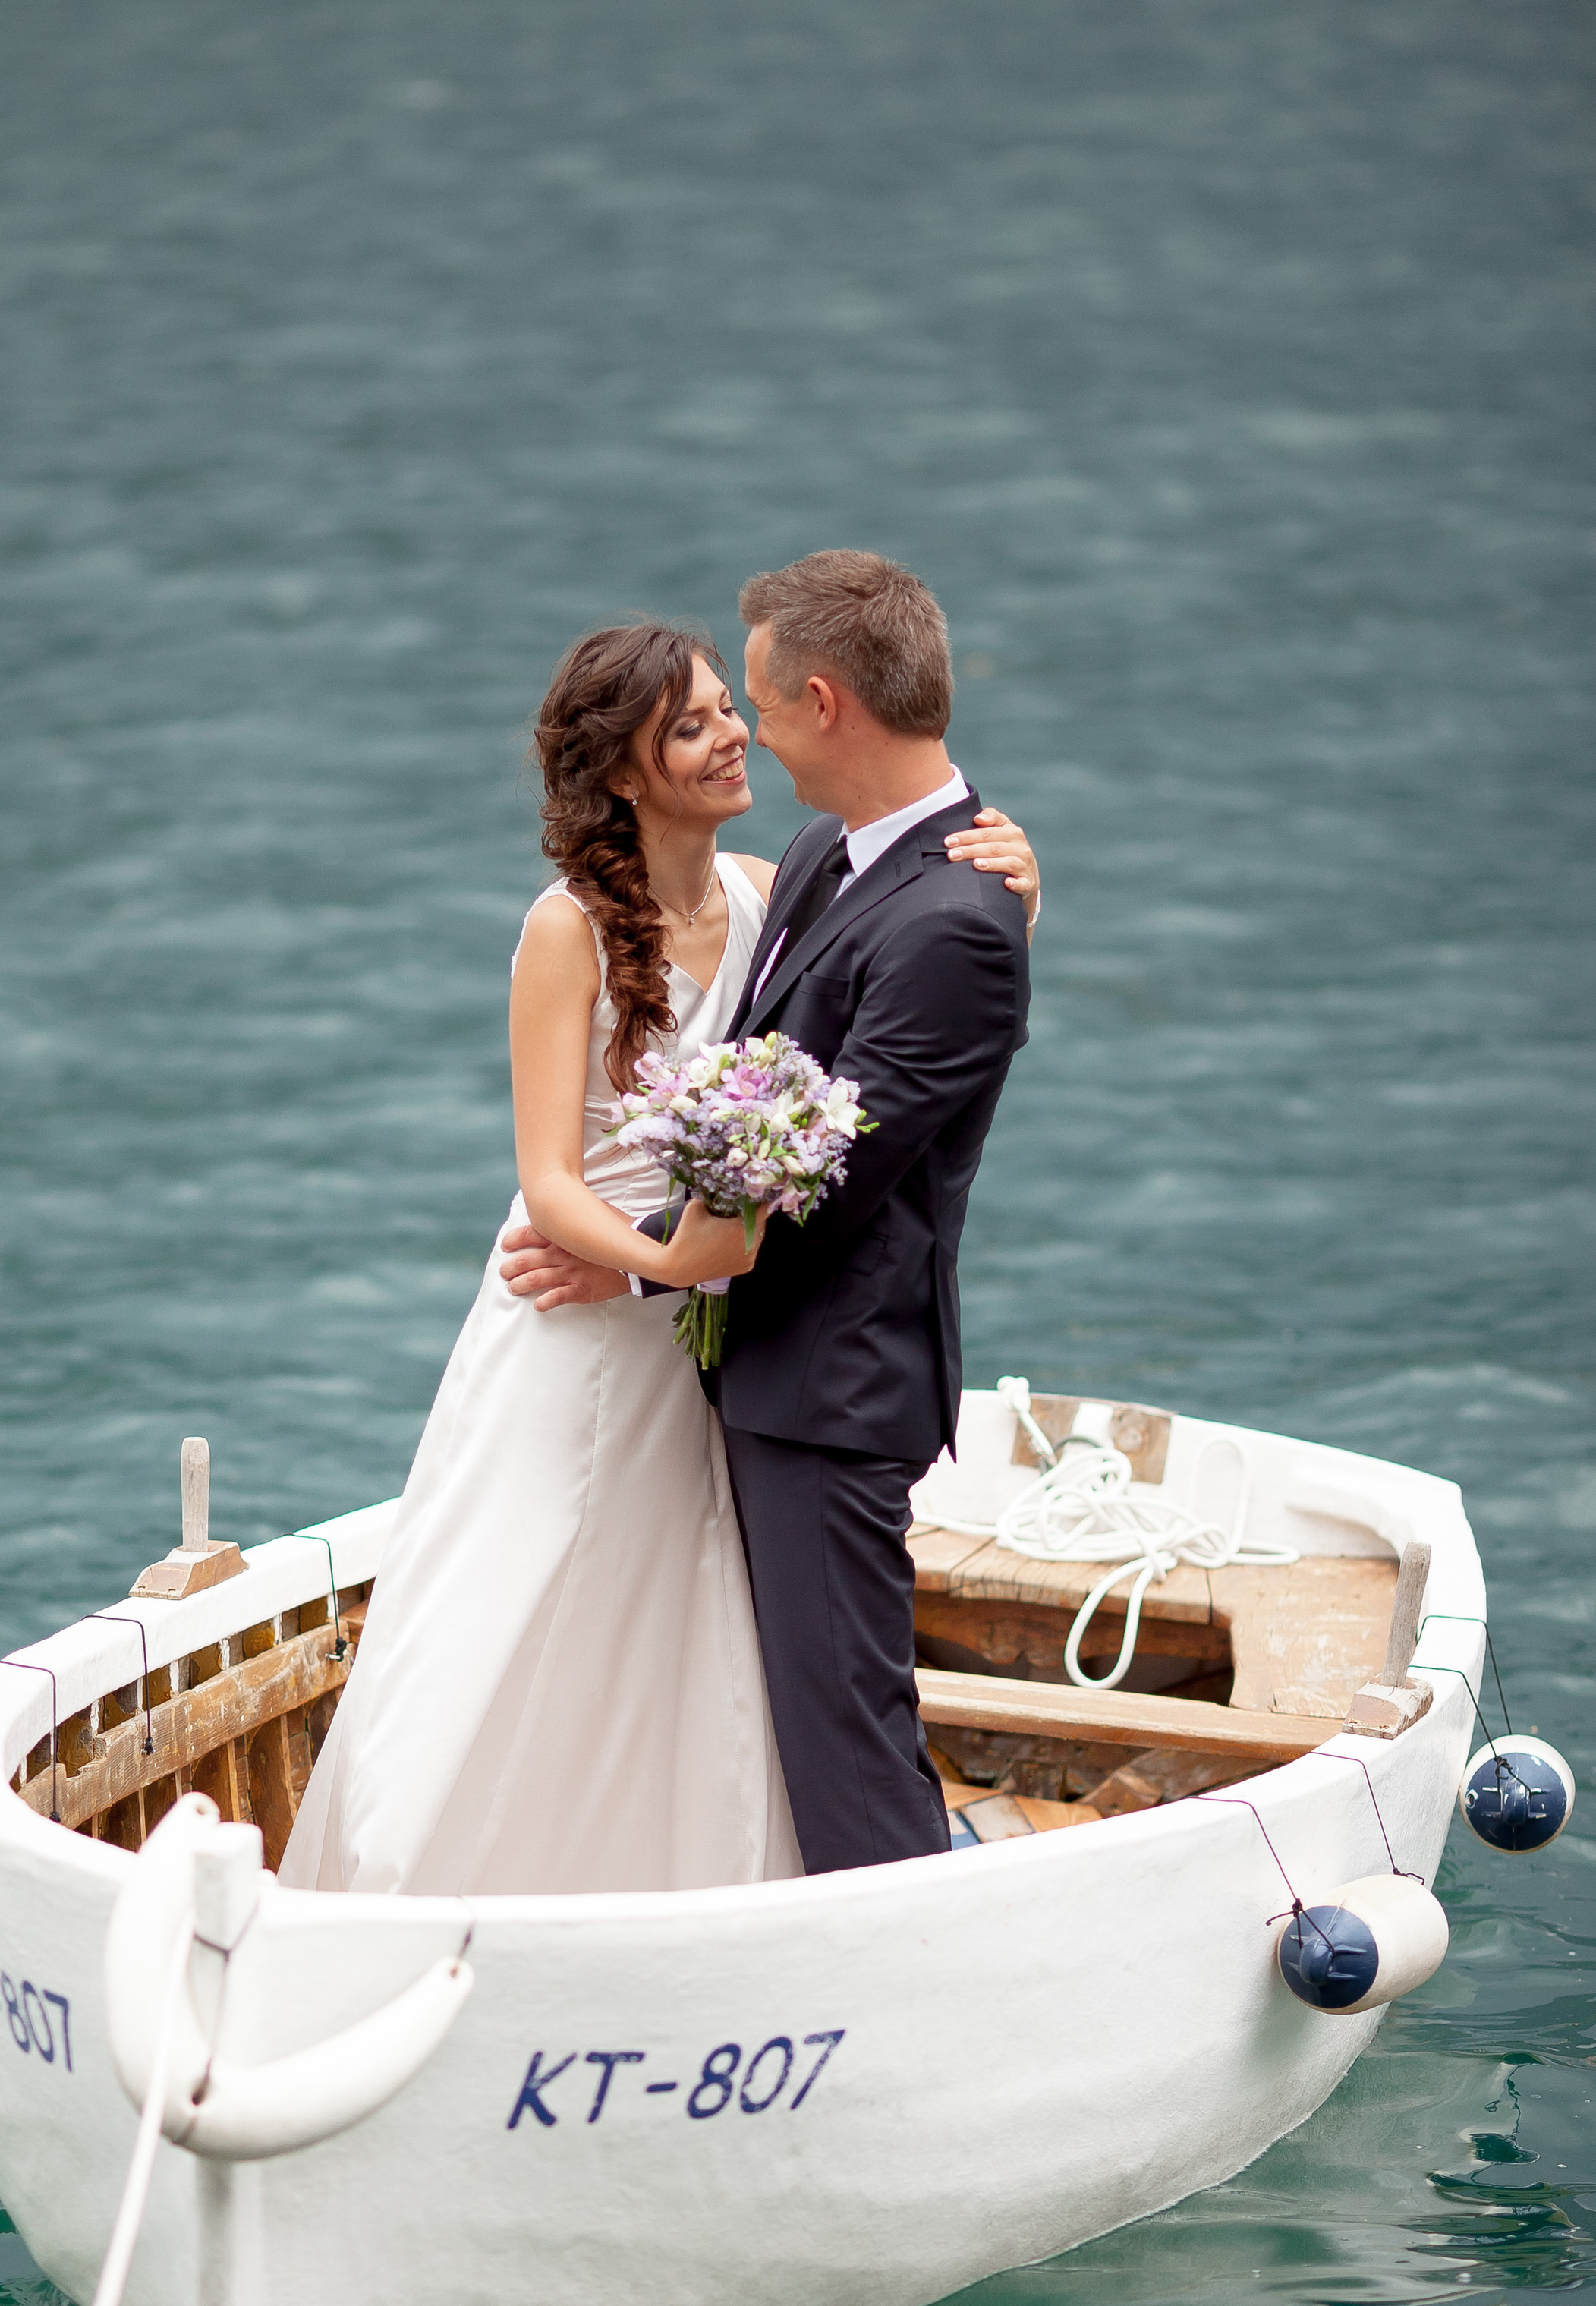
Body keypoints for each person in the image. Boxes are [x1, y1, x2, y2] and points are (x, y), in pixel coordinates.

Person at [280, 610, 1037, 1896]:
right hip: (577, 1314)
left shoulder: (777, 881)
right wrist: (660, 1264)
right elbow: (543, 1185)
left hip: (703, 1320)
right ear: (624, 772)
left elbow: (908, 957)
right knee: (521, 1601)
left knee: (692, 1628)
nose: (731, 735)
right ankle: (427, 1881)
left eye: (730, 709)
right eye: (690, 724)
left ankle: (675, 1884)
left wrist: (1020, 880)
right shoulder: (564, 932)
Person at [504, 553, 1031, 1876]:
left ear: (822, 700)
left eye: (750, 701)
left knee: (843, 1727)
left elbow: (838, 1172)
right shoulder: (817, 859)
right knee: (779, 1701)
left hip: (833, 1383)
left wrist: (638, 1279)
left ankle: (914, 1984)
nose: (744, 728)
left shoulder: (955, 916)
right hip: (754, 1361)